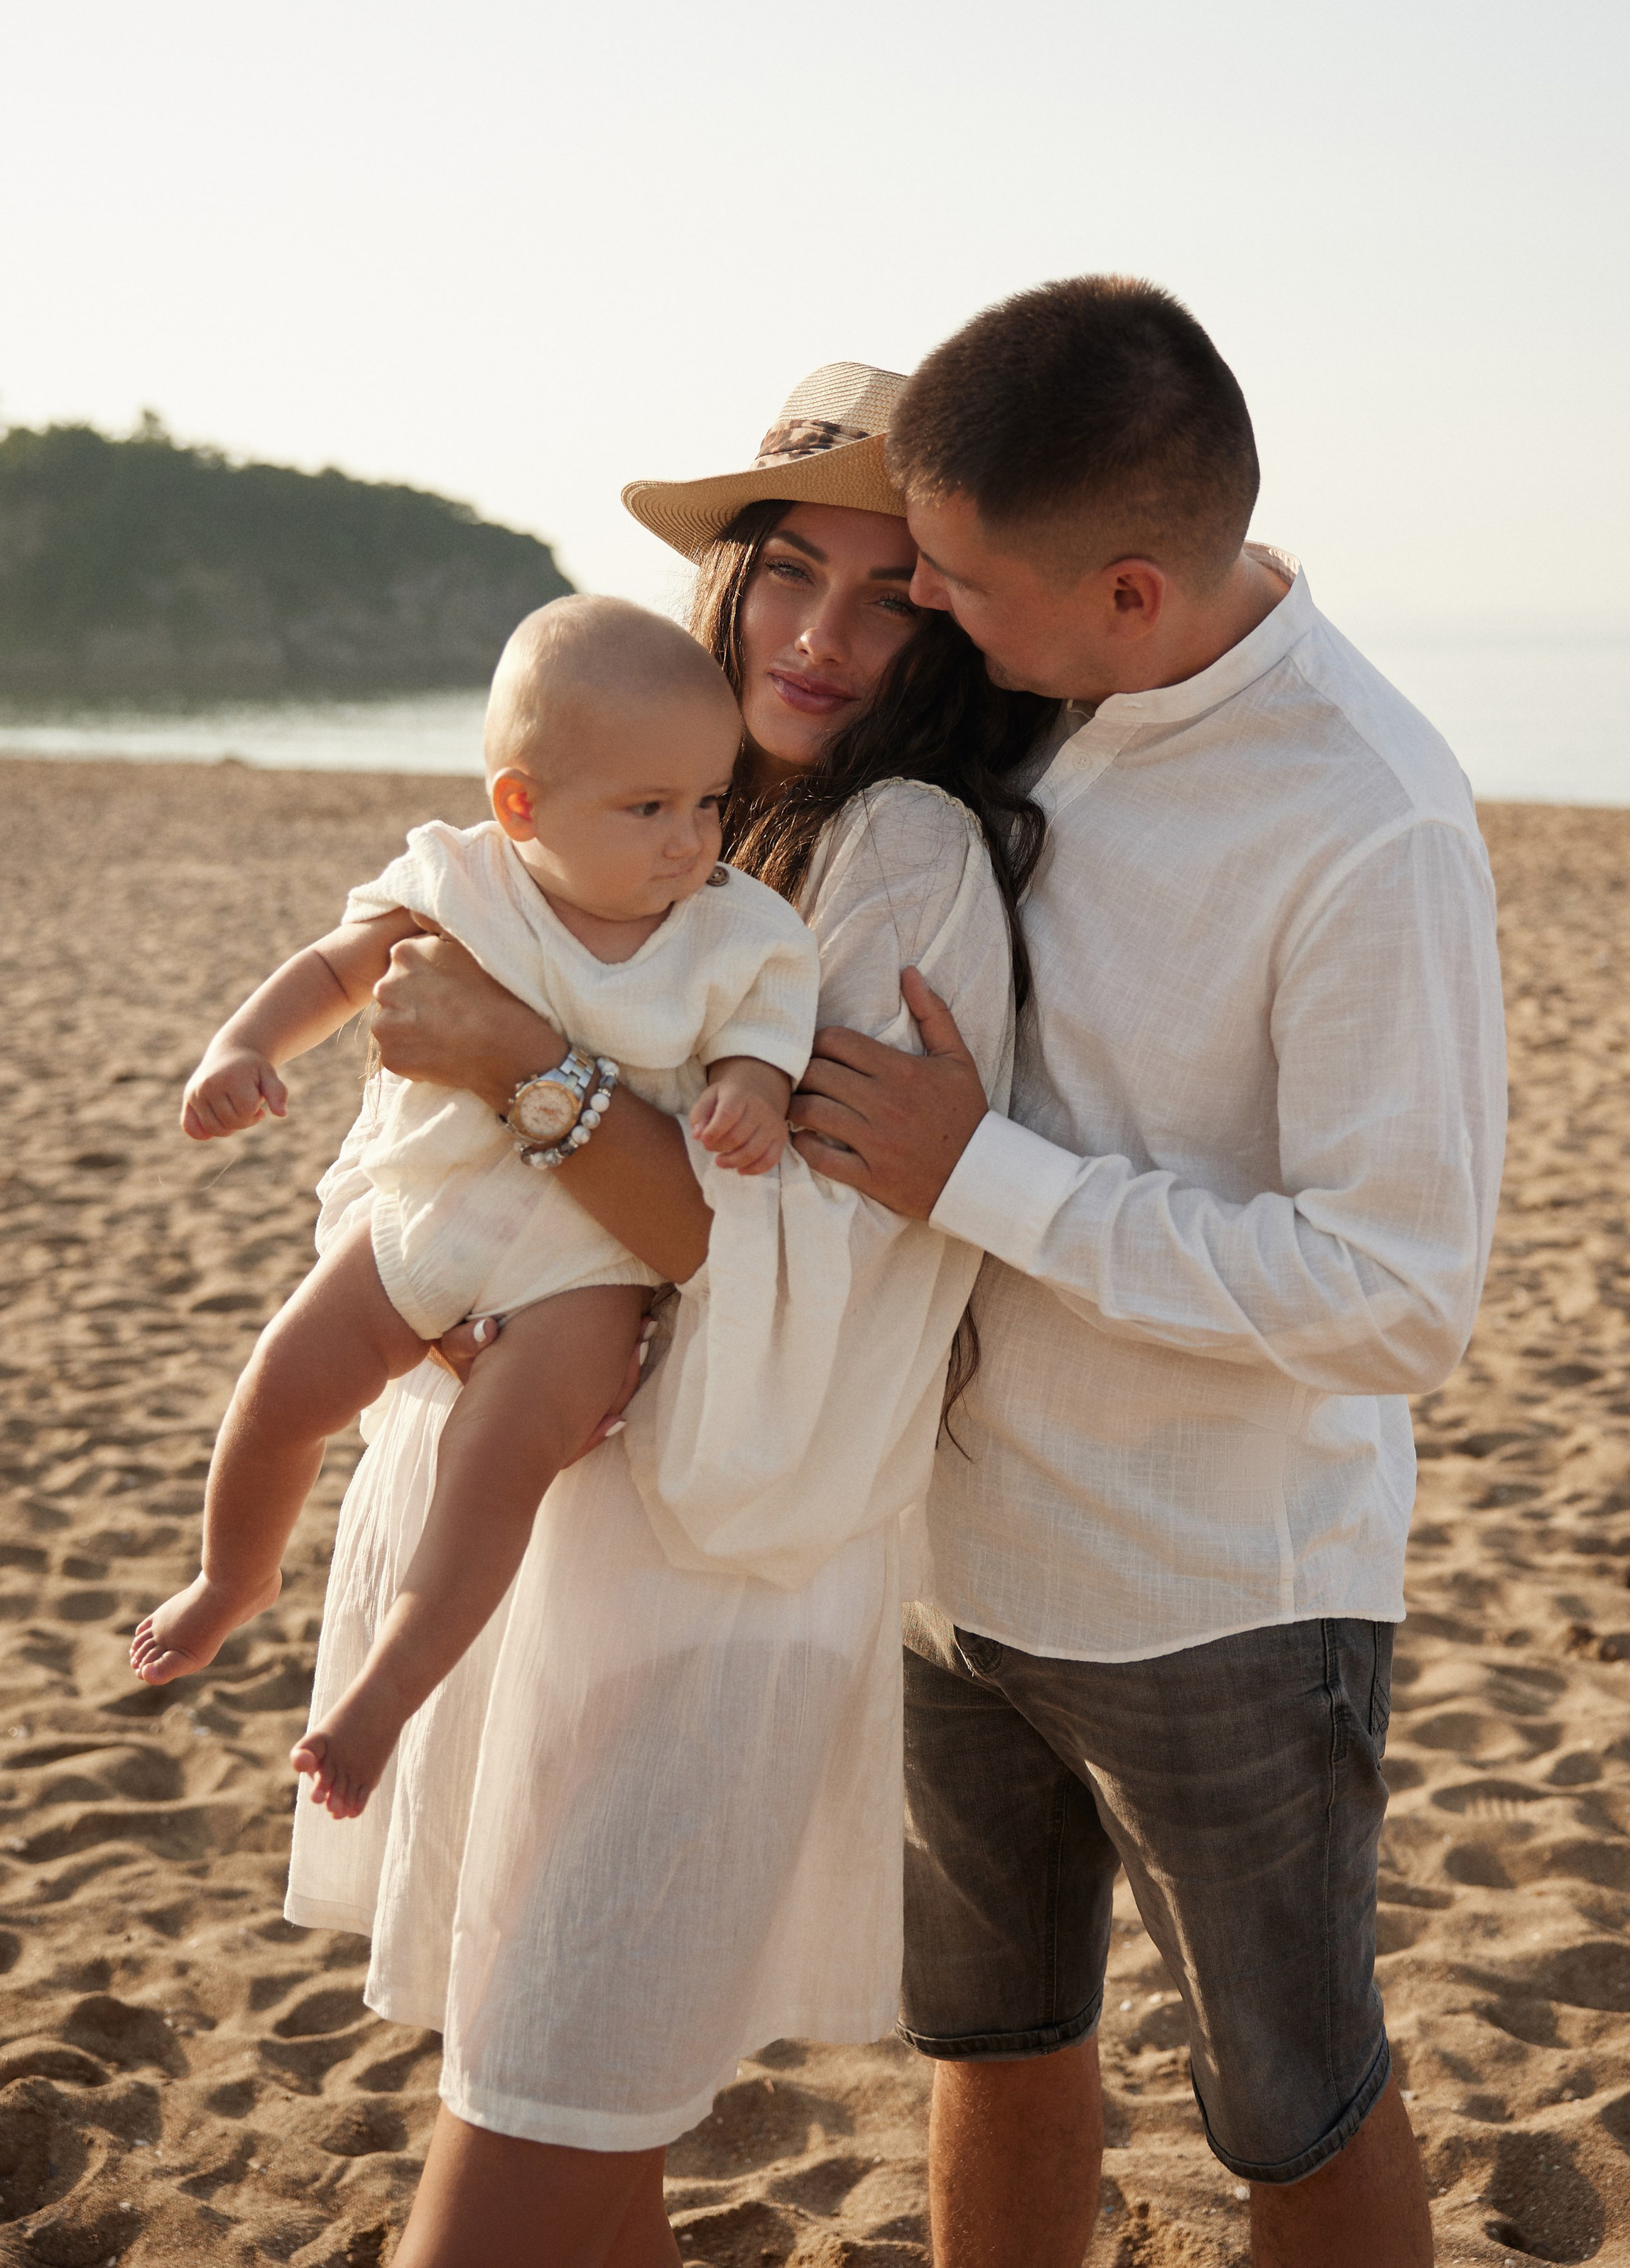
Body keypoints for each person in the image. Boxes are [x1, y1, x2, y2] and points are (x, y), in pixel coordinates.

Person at [288, 362, 1055, 2267]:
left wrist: (523, 1063)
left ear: (956, 626)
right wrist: (441, 1258)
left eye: (890, 596)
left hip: (709, 1591)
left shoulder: (903, 859)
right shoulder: (657, 825)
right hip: (554, 1551)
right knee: (576, 2141)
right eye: (789, 571)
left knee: (526, 2139)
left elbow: (761, 1246)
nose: (820, 637)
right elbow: (414, 1131)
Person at [786, 278, 1507, 2268]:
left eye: (954, 582)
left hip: (1213, 1598)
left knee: (1294, 2108)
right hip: (944, 1556)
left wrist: (982, 1177)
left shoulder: (1368, 819)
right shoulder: (1027, 686)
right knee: (994, 2042)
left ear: (1126, 591)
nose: (926, 611)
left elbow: (1398, 1294)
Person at [132, 597, 818, 1831]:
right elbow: (337, 968)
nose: (691, 841)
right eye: (648, 808)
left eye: (712, 801)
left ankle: (385, 1693)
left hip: (588, 1269)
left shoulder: (735, 932)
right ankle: (233, 1579)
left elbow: (764, 1041)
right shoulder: (465, 881)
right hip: (427, 1214)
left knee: (494, 1471)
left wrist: (750, 1097)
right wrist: (242, 1047)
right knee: (282, 1386)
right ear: (522, 806)